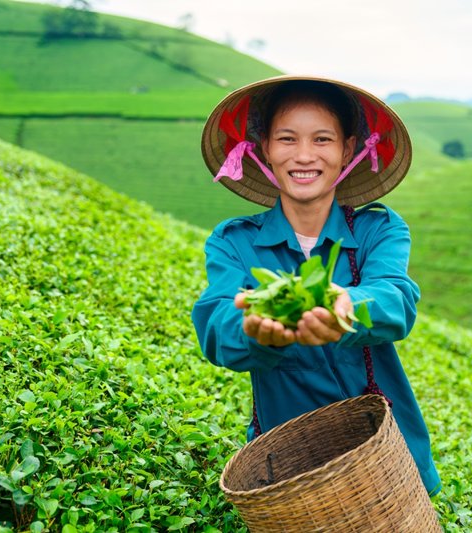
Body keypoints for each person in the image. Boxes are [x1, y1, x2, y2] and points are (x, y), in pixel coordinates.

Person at [192, 75, 441, 496]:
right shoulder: (233, 242)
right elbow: (217, 321)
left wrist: (345, 304)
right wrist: (253, 329)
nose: (304, 155)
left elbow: (396, 297)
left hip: (385, 456)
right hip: (291, 471)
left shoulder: (377, 229)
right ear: (265, 149)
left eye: (322, 139)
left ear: (347, 150)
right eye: (287, 139)